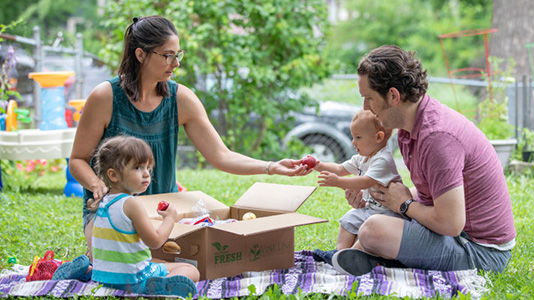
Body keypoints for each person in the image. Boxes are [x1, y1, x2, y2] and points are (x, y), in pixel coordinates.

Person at [53, 15, 308, 282]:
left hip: (162, 212)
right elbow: (77, 160)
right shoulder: (105, 97)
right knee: (131, 263)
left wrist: (271, 167)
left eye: (178, 55)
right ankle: (92, 267)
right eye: (167, 56)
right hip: (113, 210)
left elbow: (221, 156)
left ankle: (92, 270)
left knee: (159, 264)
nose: (175, 64)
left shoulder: (181, 99)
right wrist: (97, 185)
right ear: (140, 54)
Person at [331, 45, 516, 276]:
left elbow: (450, 223)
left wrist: (404, 205)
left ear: (393, 95)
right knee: (371, 218)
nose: (365, 107)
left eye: (369, 98)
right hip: (457, 235)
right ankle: (371, 257)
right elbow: (433, 196)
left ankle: (378, 259)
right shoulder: (410, 129)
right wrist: (379, 198)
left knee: (373, 230)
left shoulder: (437, 138)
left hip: (480, 250)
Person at [59, 136, 198, 297]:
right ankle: (154, 288)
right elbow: (155, 241)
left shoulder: (103, 202)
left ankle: (86, 271)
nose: (146, 174)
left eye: (148, 168)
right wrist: (170, 219)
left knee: (158, 263)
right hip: (133, 281)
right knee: (190, 270)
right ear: (113, 175)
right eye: (138, 168)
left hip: (103, 278)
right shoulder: (131, 204)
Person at [314, 109, 402, 253]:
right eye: (353, 137)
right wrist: (318, 165)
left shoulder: (383, 159)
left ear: (378, 137)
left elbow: (366, 182)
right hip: (371, 209)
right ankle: (339, 253)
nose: (353, 142)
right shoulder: (361, 158)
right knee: (349, 219)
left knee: (368, 234)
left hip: (388, 214)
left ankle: (353, 256)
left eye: (358, 137)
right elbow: (339, 169)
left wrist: (337, 182)